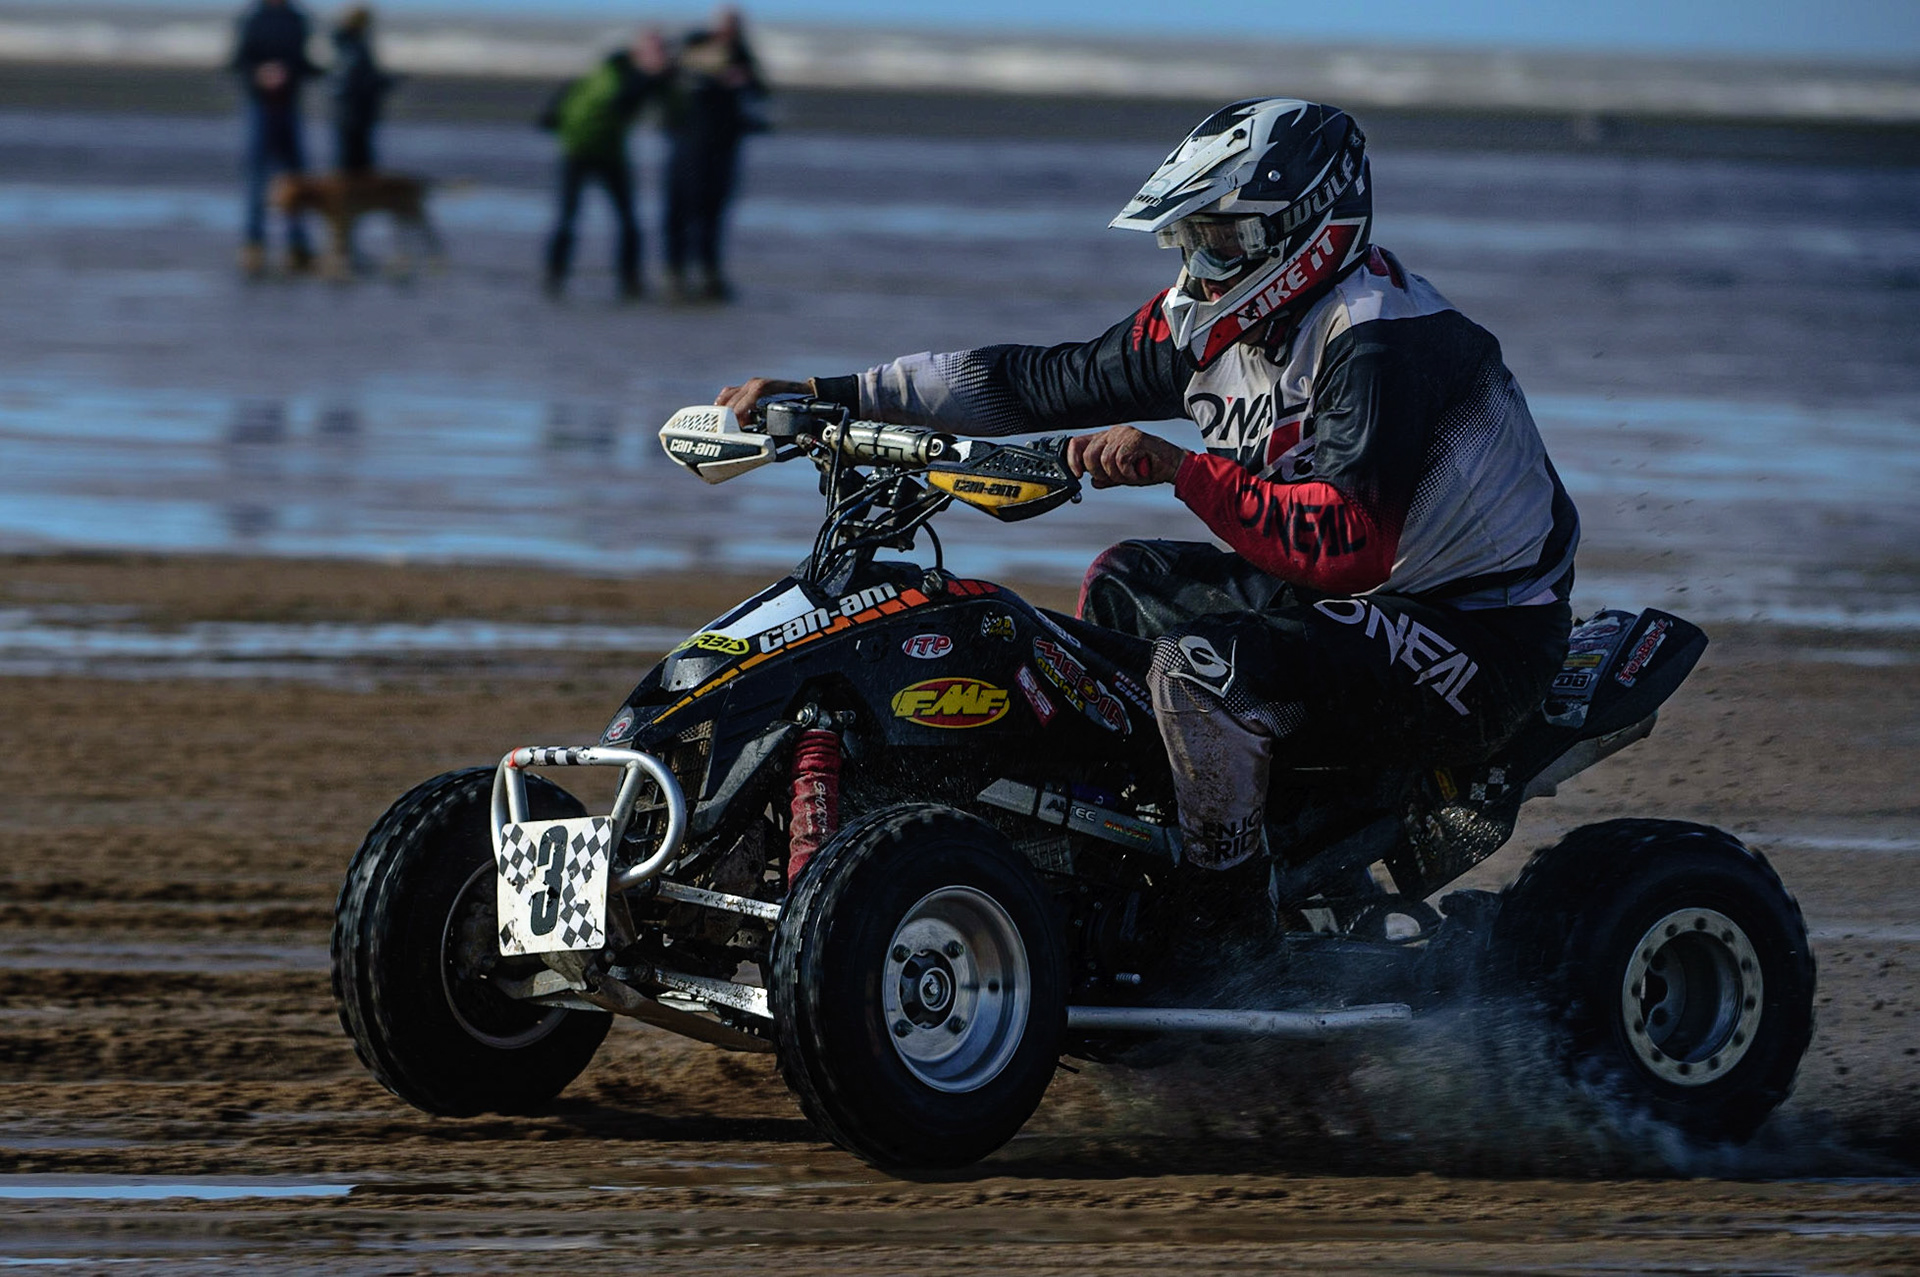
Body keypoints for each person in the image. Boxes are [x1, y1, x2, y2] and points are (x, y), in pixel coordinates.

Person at [717, 99, 1581, 930]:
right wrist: (836, 394)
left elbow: (1348, 543)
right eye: (1191, 240)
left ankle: (1227, 919)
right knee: (1125, 582)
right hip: (1347, 602)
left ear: (1310, 229)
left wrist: (1182, 469)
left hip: (1475, 632)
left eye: (1224, 240)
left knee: (1199, 670)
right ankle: (1140, 843)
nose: (1201, 267)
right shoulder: (1215, 325)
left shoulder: (1381, 337)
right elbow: (1033, 380)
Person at [541, 29, 668, 299]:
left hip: (596, 150)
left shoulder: (609, 67)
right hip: (587, 151)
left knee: (618, 219)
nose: (657, 55)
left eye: (660, 50)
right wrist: (651, 76)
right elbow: (622, 102)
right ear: (639, 51)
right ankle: (557, 276)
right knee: (576, 216)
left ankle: (624, 280)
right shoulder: (624, 74)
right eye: (653, 49)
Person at [661, 6, 767, 302]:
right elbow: (671, 72)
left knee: (713, 215)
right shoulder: (694, 45)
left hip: (723, 150)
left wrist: (740, 80)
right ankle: (675, 275)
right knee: (680, 212)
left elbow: (760, 91)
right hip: (687, 146)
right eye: (725, 25)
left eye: (734, 27)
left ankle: (710, 276)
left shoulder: (742, 56)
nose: (729, 33)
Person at [230, 0, 323, 275]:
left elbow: (303, 62)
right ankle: (253, 245)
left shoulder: (298, 18)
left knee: (296, 176)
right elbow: (239, 60)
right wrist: (259, 74)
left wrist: (301, 72)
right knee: (258, 175)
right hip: (260, 105)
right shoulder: (253, 18)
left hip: (289, 104)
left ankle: (298, 246)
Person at [330, 5, 396, 175]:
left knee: (352, 160)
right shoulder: (353, 47)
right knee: (354, 163)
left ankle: (354, 198)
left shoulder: (348, 44)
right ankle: (351, 199)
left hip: (351, 111)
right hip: (353, 112)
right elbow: (355, 80)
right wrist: (382, 82)